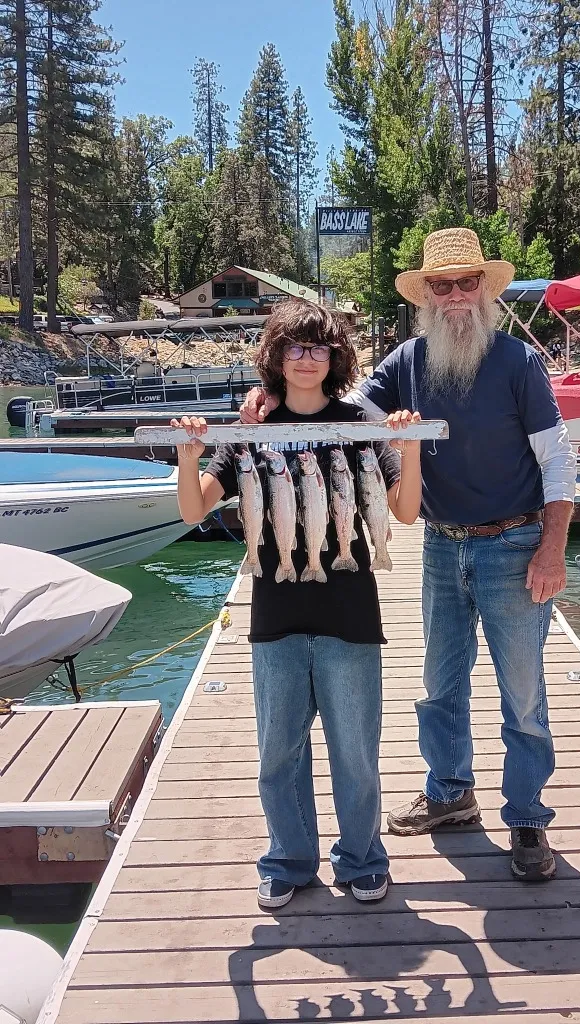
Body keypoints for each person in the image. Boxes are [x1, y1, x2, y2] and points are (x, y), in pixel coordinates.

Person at [241, 229, 577, 882]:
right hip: (441, 548)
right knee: (439, 686)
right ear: (426, 295)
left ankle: (529, 817)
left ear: (485, 289)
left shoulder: (518, 363)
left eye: (466, 283)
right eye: (442, 286)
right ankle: (450, 794)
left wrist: (554, 549)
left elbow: (558, 461)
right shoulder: (408, 363)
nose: (455, 296)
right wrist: (274, 405)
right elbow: (344, 414)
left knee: (525, 693)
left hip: (515, 544)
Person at [173, 299, 422, 908]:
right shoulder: (251, 435)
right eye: (294, 347)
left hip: (351, 614)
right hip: (275, 615)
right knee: (277, 752)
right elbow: (193, 509)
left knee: (355, 752)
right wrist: (189, 457)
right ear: (275, 357)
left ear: (334, 357)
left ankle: (363, 859)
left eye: (318, 347)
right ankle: (288, 859)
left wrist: (408, 445)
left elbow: (406, 510)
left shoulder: (359, 428)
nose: (306, 357)